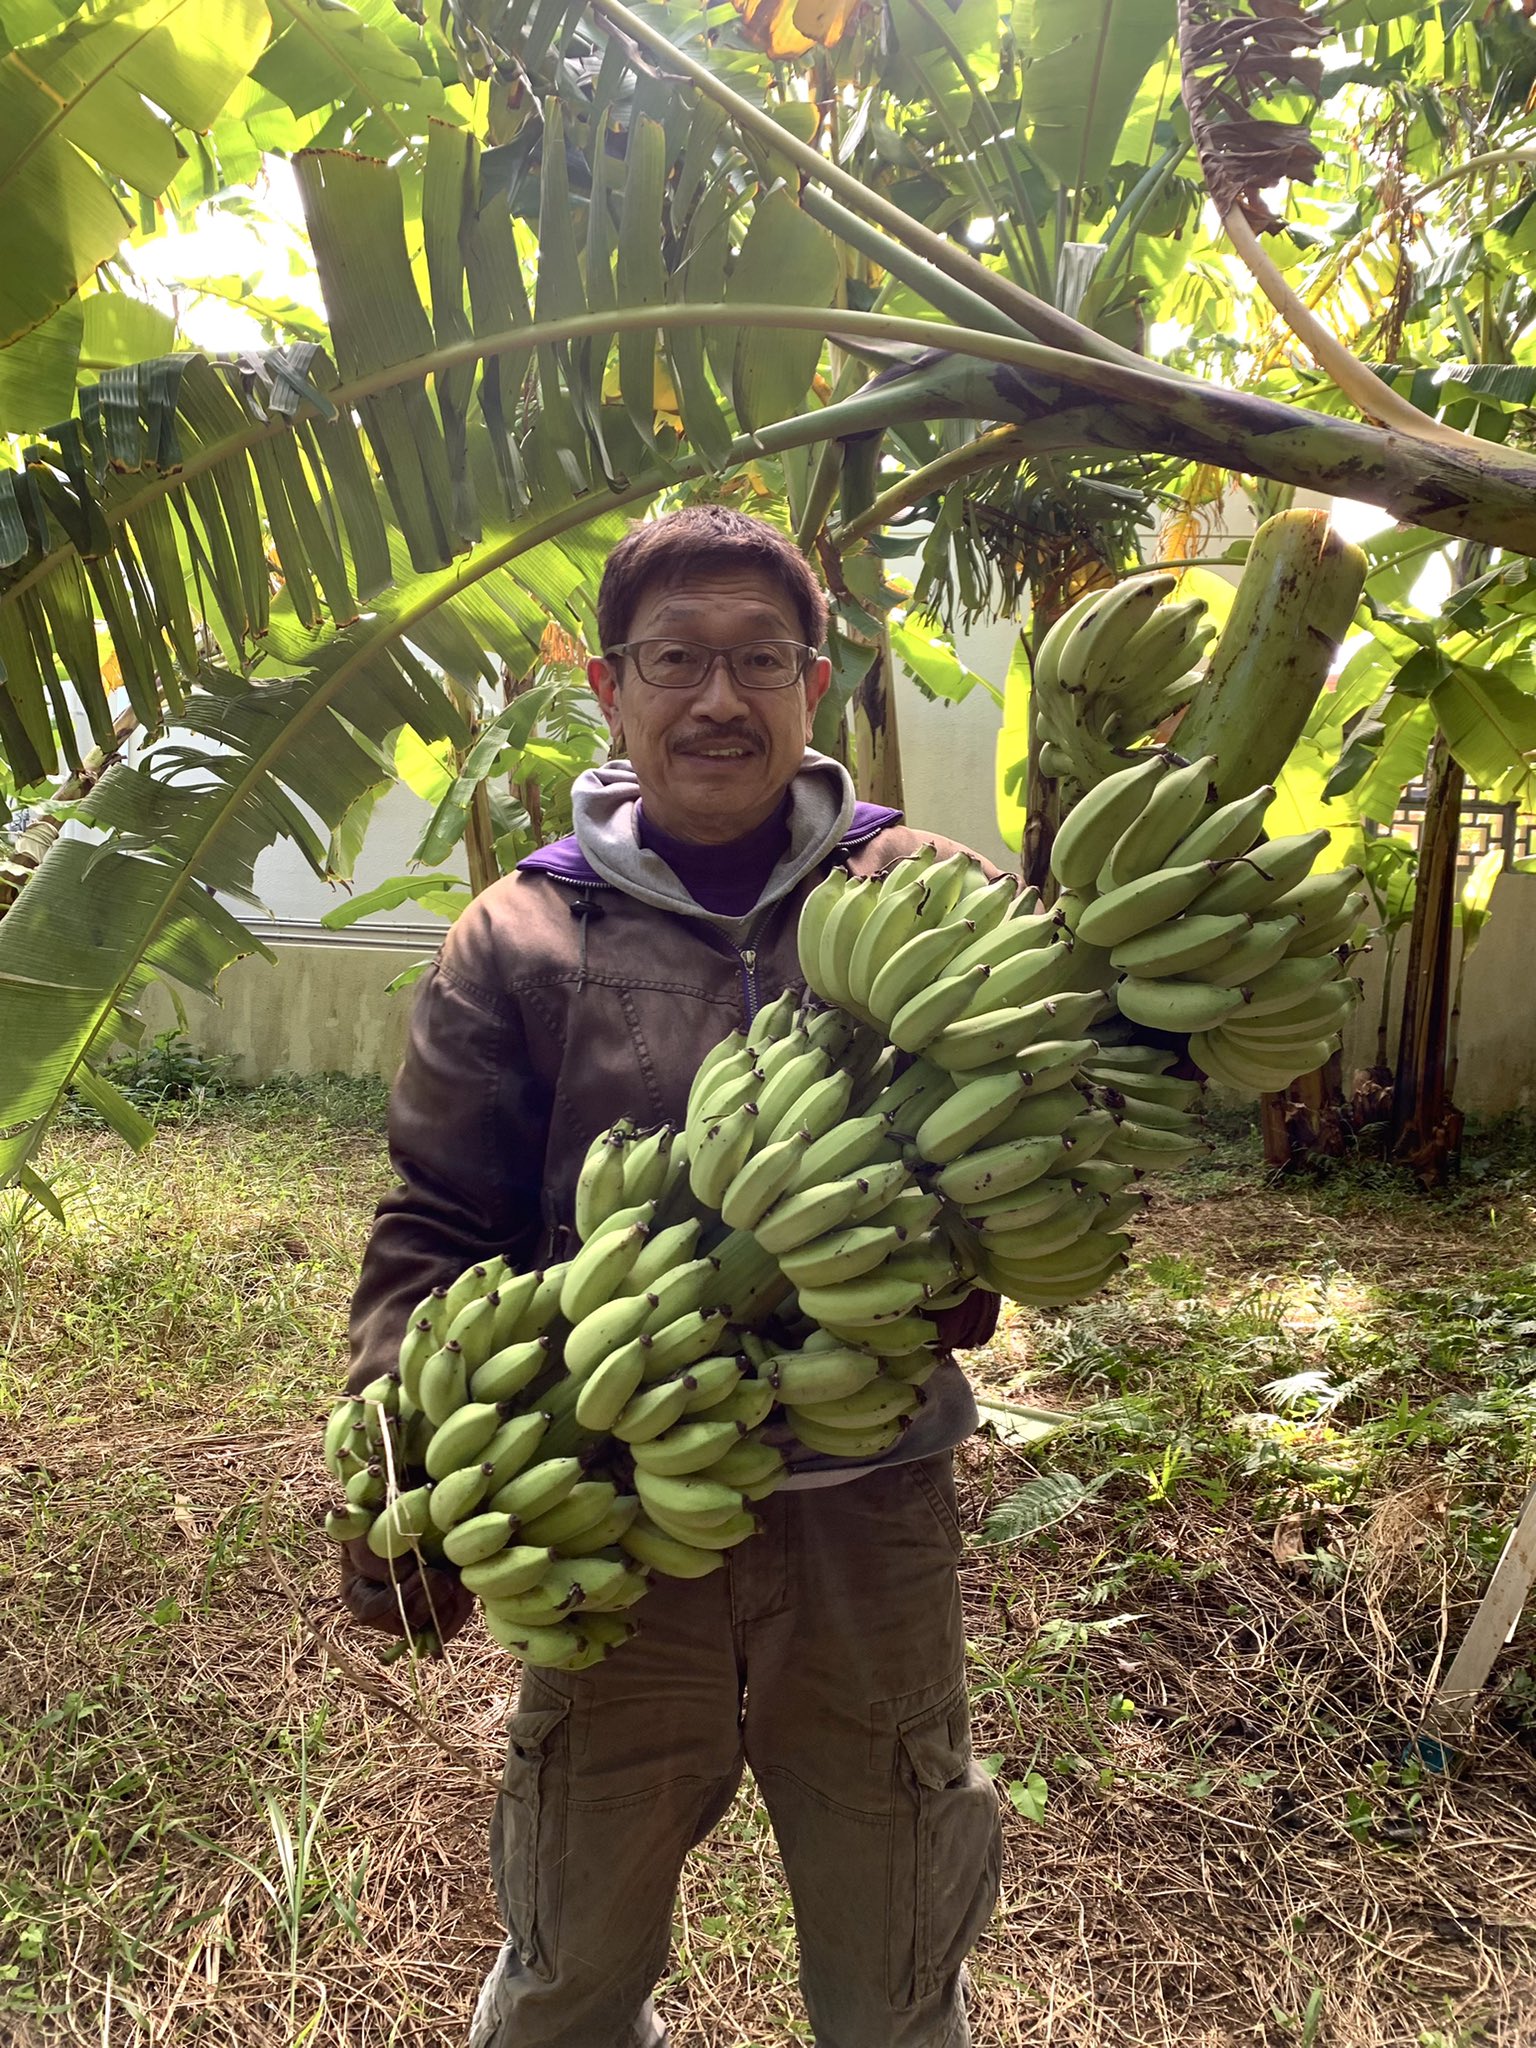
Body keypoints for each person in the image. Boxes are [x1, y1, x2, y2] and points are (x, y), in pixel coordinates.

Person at [341, 505, 1004, 2047]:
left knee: (899, 1950)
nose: (721, 698)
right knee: (573, 1958)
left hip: (869, 1513)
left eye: (759, 659)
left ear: (815, 680)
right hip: (616, 1511)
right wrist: (397, 1450)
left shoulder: (916, 894)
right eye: (678, 660)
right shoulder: (521, 934)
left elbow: (1044, 1127)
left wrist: (960, 1258)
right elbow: (437, 1219)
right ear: (610, 690)